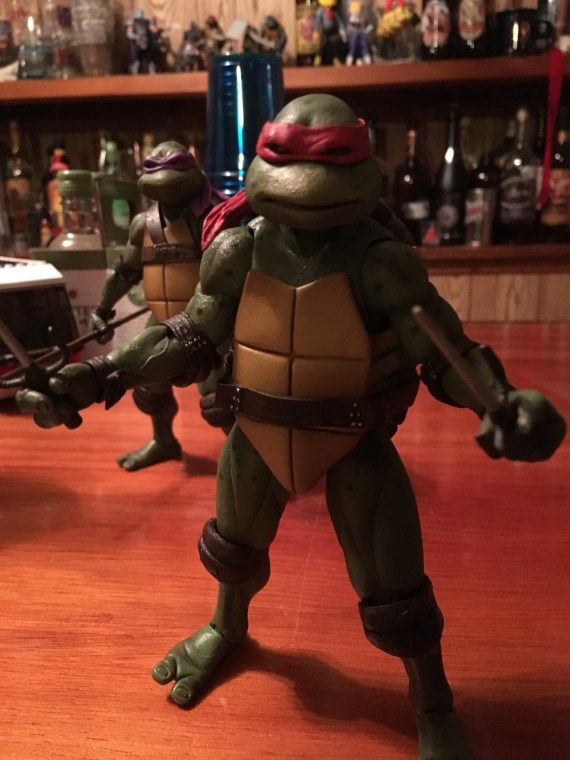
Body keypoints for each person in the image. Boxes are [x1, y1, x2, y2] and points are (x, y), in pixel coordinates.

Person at [17, 94, 566, 760]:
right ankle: (226, 628)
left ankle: (432, 699)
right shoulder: (237, 249)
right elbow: (189, 335)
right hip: (255, 431)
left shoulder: (382, 263)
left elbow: (444, 353)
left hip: (355, 437)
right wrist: (98, 375)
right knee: (232, 548)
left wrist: (500, 402)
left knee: (395, 587)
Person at [88, 139, 225, 470]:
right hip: (160, 324)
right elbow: (124, 272)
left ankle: (244, 457)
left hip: (207, 328)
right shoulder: (143, 226)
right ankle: (163, 441)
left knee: (220, 399)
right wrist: (102, 308)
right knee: (149, 387)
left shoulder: (212, 218)